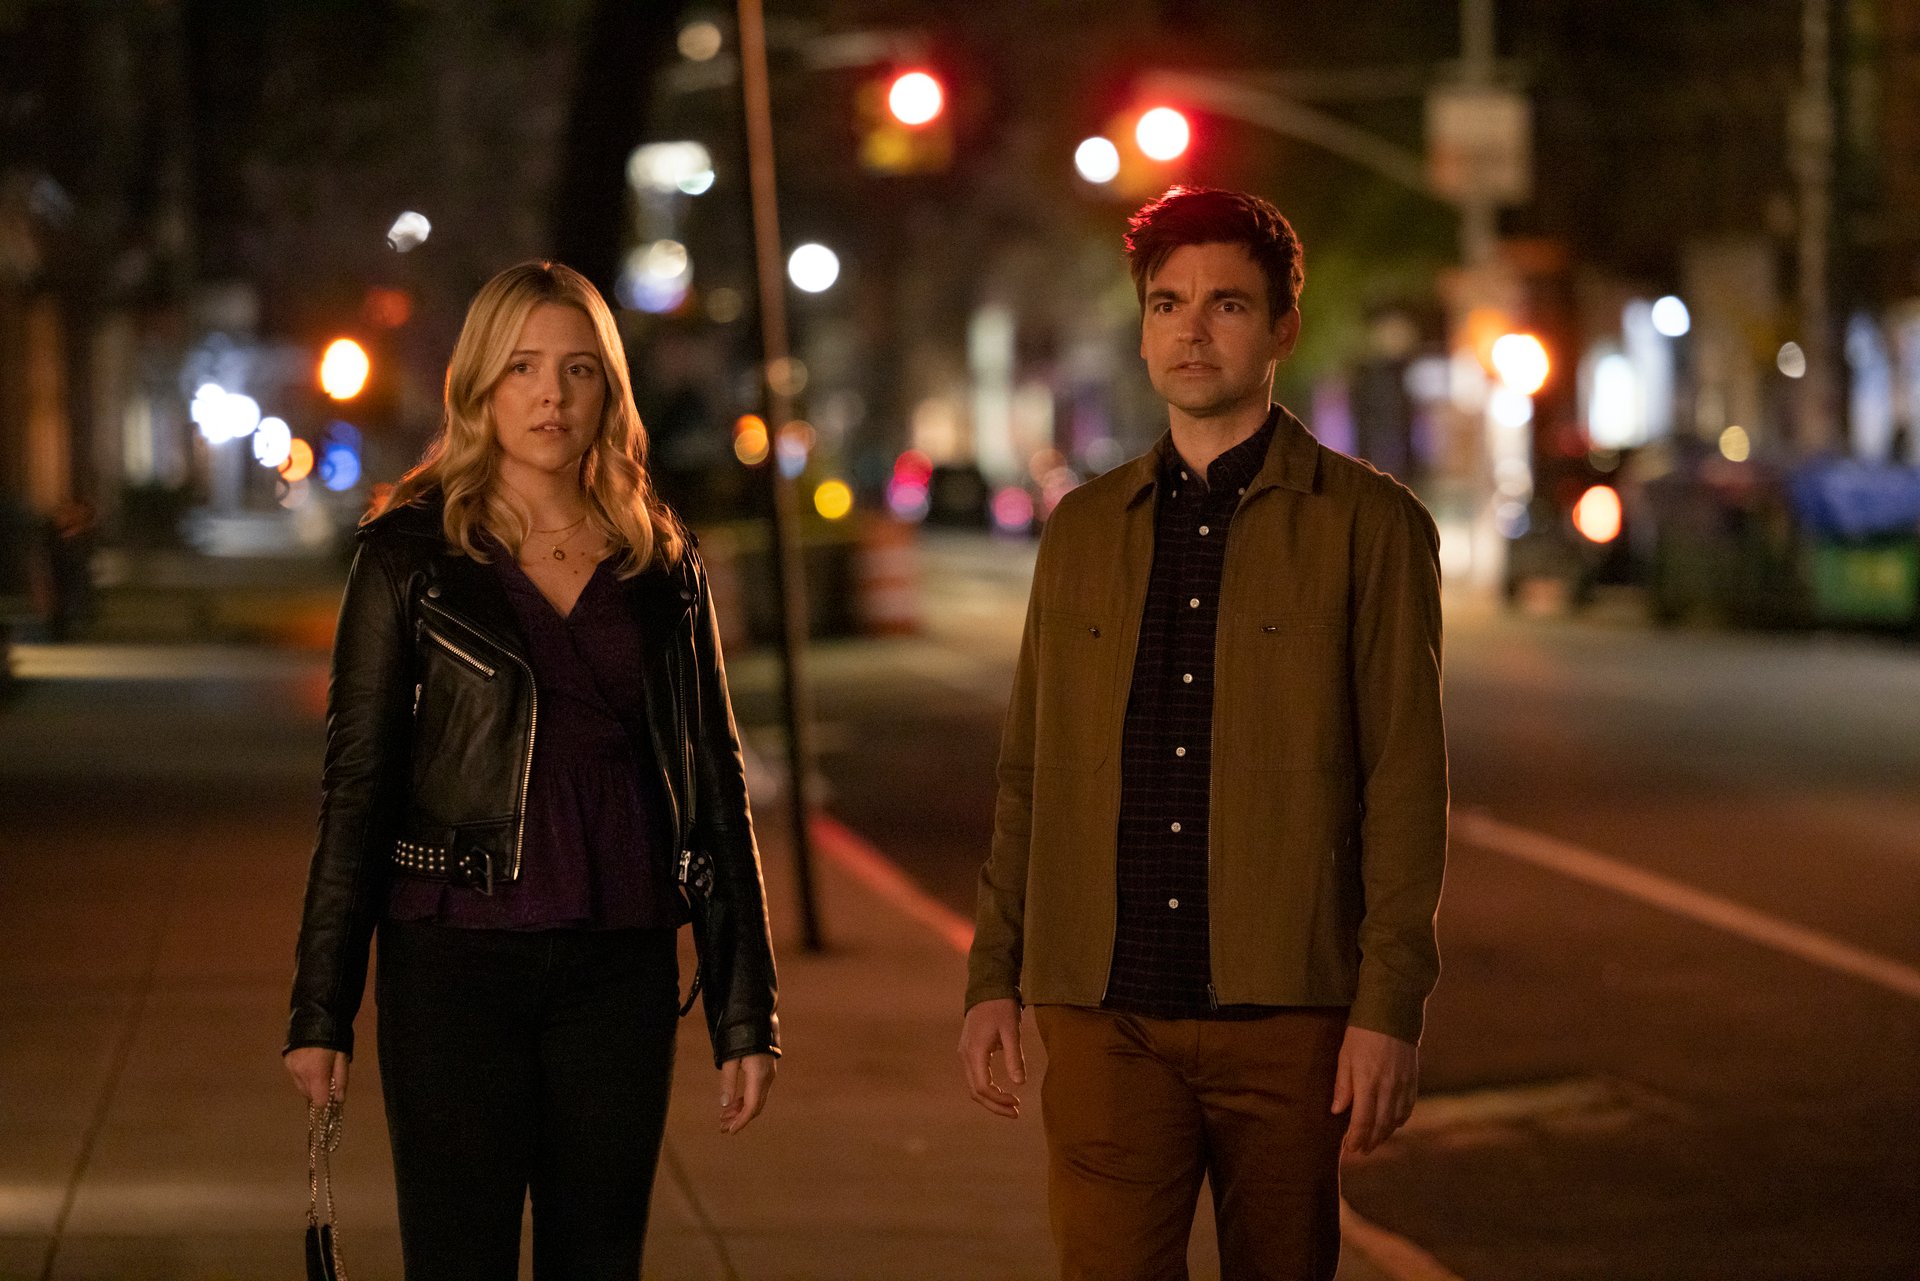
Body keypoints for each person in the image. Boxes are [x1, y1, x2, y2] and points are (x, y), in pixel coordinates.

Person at [959, 187, 1447, 1280]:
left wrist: (1389, 1008)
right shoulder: (1083, 530)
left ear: (1282, 329)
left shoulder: (1370, 527)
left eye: (1227, 304)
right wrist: (994, 972)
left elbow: (1406, 785)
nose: (1192, 329)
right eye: (1167, 303)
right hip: (1105, 1010)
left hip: (1287, 1013)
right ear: (1142, 330)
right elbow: (1031, 772)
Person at [284, 260, 779, 1280]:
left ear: (608, 389)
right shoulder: (408, 557)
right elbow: (357, 786)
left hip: (619, 964)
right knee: (457, 1259)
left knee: (599, 1258)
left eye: (577, 369)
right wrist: (320, 1009)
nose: (551, 395)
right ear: (479, 384)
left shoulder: (661, 563)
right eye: (522, 367)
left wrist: (745, 1010)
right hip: (451, 962)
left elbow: (715, 783)